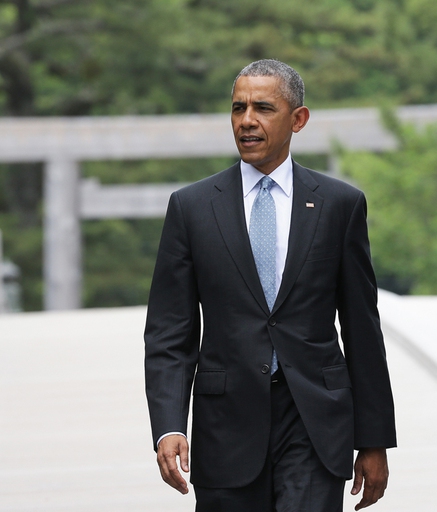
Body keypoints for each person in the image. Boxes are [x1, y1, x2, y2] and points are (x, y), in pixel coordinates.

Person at [144, 59, 397, 512]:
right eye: (238, 108)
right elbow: (169, 332)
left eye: (263, 108)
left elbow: (362, 328)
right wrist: (168, 425)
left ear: (298, 119)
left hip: (315, 423)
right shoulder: (192, 208)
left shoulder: (340, 205)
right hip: (226, 427)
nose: (247, 121)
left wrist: (374, 441)